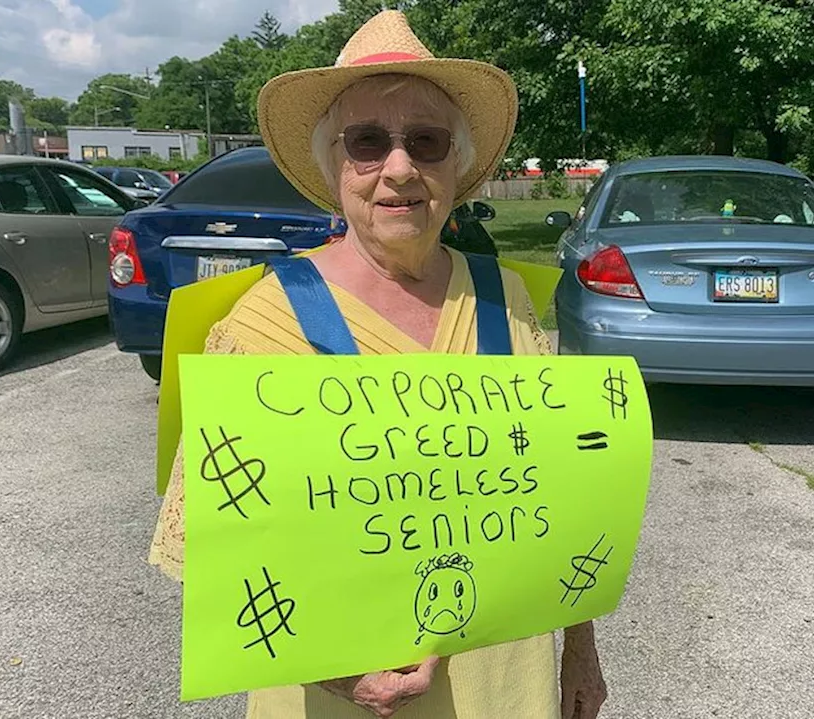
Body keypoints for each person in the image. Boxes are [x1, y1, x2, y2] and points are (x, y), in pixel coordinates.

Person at [146, 10, 608, 719]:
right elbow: (217, 546)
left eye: (425, 141)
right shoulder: (267, 320)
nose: (400, 168)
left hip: (504, 685)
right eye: (367, 141)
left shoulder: (508, 299)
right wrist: (333, 664)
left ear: (455, 161)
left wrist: (581, 648)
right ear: (335, 165)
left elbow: (559, 500)